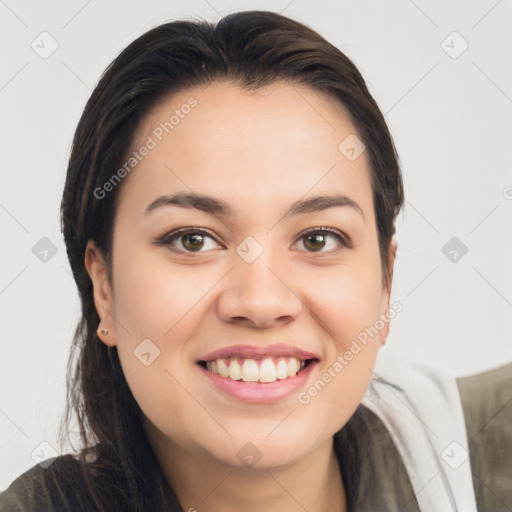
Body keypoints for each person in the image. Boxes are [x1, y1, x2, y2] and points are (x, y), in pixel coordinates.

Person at [1, 10, 510, 512]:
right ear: (104, 287)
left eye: (317, 239)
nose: (261, 302)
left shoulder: (490, 455)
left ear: (385, 283)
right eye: (194, 240)